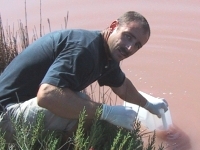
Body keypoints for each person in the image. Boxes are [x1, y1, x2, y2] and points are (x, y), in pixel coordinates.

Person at [0, 11, 168, 142]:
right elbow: (46, 95)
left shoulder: (107, 53)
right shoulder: (85, 49)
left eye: (137, 45)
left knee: (86, 107)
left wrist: (148, 104)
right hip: (6, 115)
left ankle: (68, 144)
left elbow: (123, 87)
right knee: (90, 110)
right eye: (128, 36)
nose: (129, 47)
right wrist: (107, 112)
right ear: (113, 26)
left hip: (21, 108)